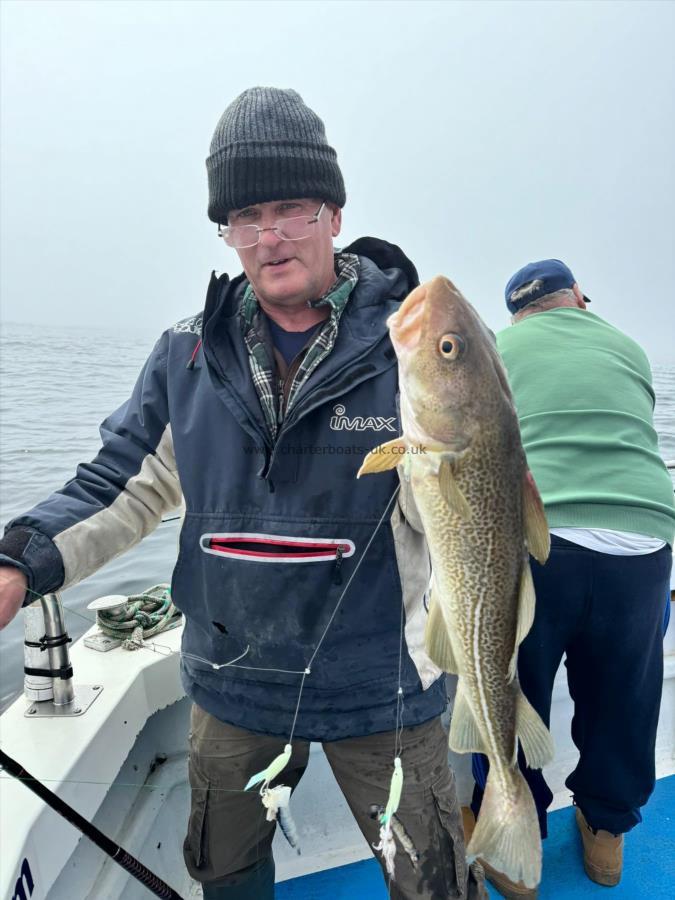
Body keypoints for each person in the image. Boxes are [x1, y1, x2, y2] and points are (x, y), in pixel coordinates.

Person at [0, 87, 486, 900]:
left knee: (429, 880)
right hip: (233, 679)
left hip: (385, 688)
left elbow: (476, 483)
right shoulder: (184, 354)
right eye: (244, 216)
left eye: (291, 208)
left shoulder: (416, 346)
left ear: (333, 212)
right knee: (224, 872)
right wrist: (18, 559)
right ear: (225, 231)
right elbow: (120, 483)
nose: (268, 236)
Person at [463, 259, 675, 899]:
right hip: (642, 538)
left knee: (511, 690)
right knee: (624, 696)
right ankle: (606, 835)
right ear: (577, 296)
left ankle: (509, 837)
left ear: (517, 312)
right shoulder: (628, 346)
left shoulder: (499, 348)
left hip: (540, 533)